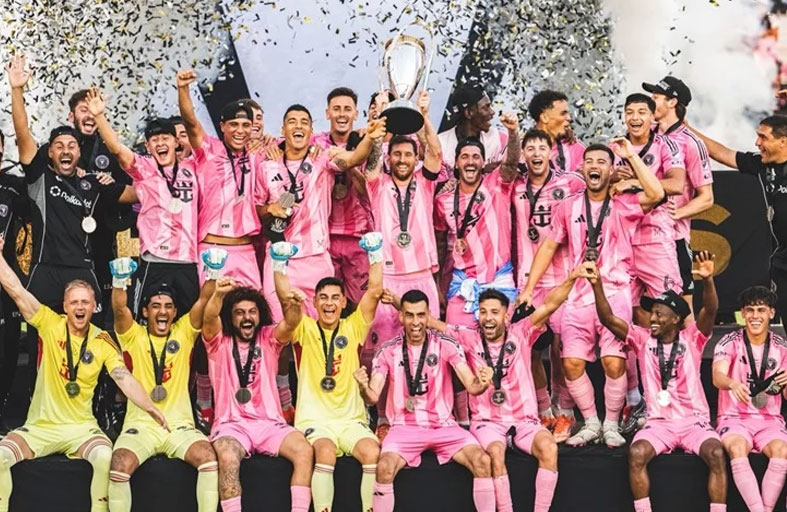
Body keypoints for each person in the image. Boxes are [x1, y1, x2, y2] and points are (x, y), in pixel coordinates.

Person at [0, 237, 167, 512]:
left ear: (94, 307)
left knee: (104, 456)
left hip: (82, 429)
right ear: (65, 306)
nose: (80, 307)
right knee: (2, 456)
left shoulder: (102, 340)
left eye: (85, 302)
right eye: (74, 302)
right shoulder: (50, 324)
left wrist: (149, 406)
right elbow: (17, 291)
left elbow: (123, 377)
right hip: (41, 427)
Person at [518, 140, 665, 447]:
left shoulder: (622, 203)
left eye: (601, 162)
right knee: (571, 363)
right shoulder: (568, 205)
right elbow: (548, 245)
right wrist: (529, 289)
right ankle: (592, 423)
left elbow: (656, 193)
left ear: (611, 170)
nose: (594, 166)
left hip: (614, 292)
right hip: (578, 294)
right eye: (589, 161)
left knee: (613, 361)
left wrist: (630, 156)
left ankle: (611, 424)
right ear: (582, 168)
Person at [429, 263, 591, 512]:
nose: (488, 318)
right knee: (495, 453)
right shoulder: (469, 336)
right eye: (483, 312)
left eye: (494, 312)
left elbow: (550, 305)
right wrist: (397, 302)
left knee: (549, 448)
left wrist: (573, 277)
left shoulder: (521, 332)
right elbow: (431, 322)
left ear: (506, 316)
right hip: (488, 422)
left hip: (524, 421)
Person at [591, 251, 728, 512]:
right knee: (636, 453)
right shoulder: (642, 339)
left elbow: (710, 309)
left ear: (675, 319)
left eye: (658, 314)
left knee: (717, 453)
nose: (652, 319)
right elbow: (608, 319)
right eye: (652, 314)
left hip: (693, 422)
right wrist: (597, 285)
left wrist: (708, 280)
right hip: (659, 424)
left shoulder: (693, 338)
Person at [6, 55, 135, 311]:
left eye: (71, 146)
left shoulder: (94, 182)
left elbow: (138, 193)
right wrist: (17, 90)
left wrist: (163, 175)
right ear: (50, 152)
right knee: (41, 335)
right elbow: (22, 132)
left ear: (78, 153)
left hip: (83, 270)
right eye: (59, 146)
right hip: (45, 271)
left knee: (91, 336)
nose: (66, 150)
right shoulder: (39, 177)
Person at [354, 290, 496, 512]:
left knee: (483, 461)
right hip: (404, 428)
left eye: (421, 315)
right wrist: (363, 387)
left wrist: (483, 382)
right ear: (401, 316)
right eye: (410, 315)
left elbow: (472, 386)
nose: (416, 322)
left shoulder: (446, 344)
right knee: (384, 467)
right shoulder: (387, 350)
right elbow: (372, 396)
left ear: (428, 315)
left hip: (444, 427)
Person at [271, 232, 383, 512]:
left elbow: (374, 292)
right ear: (315, 302)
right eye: (323, 298)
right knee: (325, 452)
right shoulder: (305, 327)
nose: (329, 303)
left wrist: (375, 254)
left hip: (351, 420)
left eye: (335, 298)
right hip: (315, 420)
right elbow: (285, 300)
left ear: (344, 302)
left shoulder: (353, 327)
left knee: (372, 452)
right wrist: (280, 265)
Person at [106, 256, 218, 512]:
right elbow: (120, 309)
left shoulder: (184, 332)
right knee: (119, 464)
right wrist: (119, 281)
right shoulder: (133, 335)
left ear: (175, 312)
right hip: (141, 426)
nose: (163, 311)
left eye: (168, 306)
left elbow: (203, 300)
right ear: (145, 312)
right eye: (156, 306)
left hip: (179, 426)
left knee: (208, 459)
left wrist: (213, 272)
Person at [362, 91, 443, 437]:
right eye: (396, 153)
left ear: (415, 157)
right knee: (383, 349)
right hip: (389, 276)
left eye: (408, 154)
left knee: (427, 343)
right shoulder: (377, 183)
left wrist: (424, 116)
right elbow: (370, 162)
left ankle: (431, 412)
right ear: (390, 156)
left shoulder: (425, 182)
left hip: (421, 275)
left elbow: (435, 152)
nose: (402, 159)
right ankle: (383, 417)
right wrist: (379, 121)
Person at [259, 104, 385, 321]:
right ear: (282, 129)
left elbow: (354, 159)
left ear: (311, 131)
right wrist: (270, 208)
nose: (298, 126)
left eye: (304, 122)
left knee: (321, 329)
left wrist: (369, 138)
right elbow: (256, 208)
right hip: (279, 259)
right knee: (280, 329)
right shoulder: (266, 165)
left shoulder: (323, 159)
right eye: (292, 122)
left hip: (316, 260)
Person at [202, 274, 314, 512]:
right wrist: (219, 294)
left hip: (269, 424)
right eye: (239, 312)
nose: (247, 317)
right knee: (228, 458)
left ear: (260, 315)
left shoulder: (268, 338)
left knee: (304, 451)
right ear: (230, 317)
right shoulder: (218, 341)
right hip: (232, 425)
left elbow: (290, 323)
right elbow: (209, 317)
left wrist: (295, 306)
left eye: (252, 312)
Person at [87, 88, 200, 318]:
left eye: (165, 138)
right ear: (148, 146)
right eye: (154, 140)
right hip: (154, 261)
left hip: (187, 261)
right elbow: (117, 149)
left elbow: (204, 138)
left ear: (175, 142)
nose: (160, 143)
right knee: (148, 322)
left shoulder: (195, 167)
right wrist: (99, 116)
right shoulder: (145, 168)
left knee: (190, 326)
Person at [614, 93, 687, 435]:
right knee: (626, 322)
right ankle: (636, 398)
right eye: (629, 112)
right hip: (622, 237)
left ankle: (680, 393)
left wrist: (632, 180)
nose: (635, 117)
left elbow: (675, 184)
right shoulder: (616, 147)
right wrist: (615, 179)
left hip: (656, 238)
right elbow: (602, 184)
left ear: (652, 117)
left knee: (670, 315)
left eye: (641, 111)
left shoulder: (666, 145)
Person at [512, 129, 585, 441]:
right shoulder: (515, 185)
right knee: (528, 348)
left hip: (562, 278)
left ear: (551, 152)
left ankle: (565, 411)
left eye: (542, 147)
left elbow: (600, 192)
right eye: (530, 148)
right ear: (524, 154)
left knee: (563, 348)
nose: (536, 153)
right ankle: (543, 410)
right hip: (527, 279)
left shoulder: (572, 183)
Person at [689, 114, 787, 322]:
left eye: (763, 137)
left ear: (783, 141)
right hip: (782, 257)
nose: (757, 142)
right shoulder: (762, 164)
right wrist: (687, 130)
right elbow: (722, 153)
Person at [176, 68, 266, 289]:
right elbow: (191, 123)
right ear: (222, 127)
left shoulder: (258, 155)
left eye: (245, 125)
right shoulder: (208, 150)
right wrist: (183, 89)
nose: (240, 131)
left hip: (246, 250)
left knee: (251, 307)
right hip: (212, 249)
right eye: (233, 124)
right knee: (211, 309)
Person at [435, 112, 521, 327]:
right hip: (462, 283)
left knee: (498, 344)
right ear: (456, 164)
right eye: (464, 157)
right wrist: (438, 286)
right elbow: (440, 245)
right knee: (457, 342)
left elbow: (511, 163)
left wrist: (513, 132)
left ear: (483, 162)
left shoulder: (497, 184)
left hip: (498, 280)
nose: (470, 161)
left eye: (476, 157)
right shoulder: (443, 200)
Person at [713, 286, 787, 512]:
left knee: (782, 451)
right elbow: (717, 377)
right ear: (742, 313)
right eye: (750, 310)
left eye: (761, 310)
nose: (755, 316)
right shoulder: (729, 342)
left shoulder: (782, 347)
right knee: (736, 447)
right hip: (734, 417)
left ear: (771, 313)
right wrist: (732, 383)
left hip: (770, 420)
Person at [643, 76, 714, 307]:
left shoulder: (691, 142)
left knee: (680, 306)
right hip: (638, 232)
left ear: (672, 102)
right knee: (640, 305)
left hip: (672, 237)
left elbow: (707, 197)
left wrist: (677, 213)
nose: (650, 102)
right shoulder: (644, 134)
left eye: (656, 97)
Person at [311, 87, 373, 307]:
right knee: (327, 304)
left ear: (356, 113)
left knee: (360, 305)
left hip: (358, 237)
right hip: (325, 238)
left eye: (347, 109)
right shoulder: (314, 143)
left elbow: (368, 189)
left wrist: (349, 162)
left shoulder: (366, 143)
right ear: (327, 113)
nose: (342, 114)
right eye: (336, 109)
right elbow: (287, 146)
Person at [438, 85, 509, 169]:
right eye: (486, 107)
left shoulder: (498, 139)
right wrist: (482, 171)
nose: (492, 112)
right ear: (468, 113)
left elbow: (512, 168)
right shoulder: (441, 145)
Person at [527, 90, 585, 175]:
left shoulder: (576, 149)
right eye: (563, 113)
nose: (569, 118)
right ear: (544, 118)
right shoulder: (520, 152)